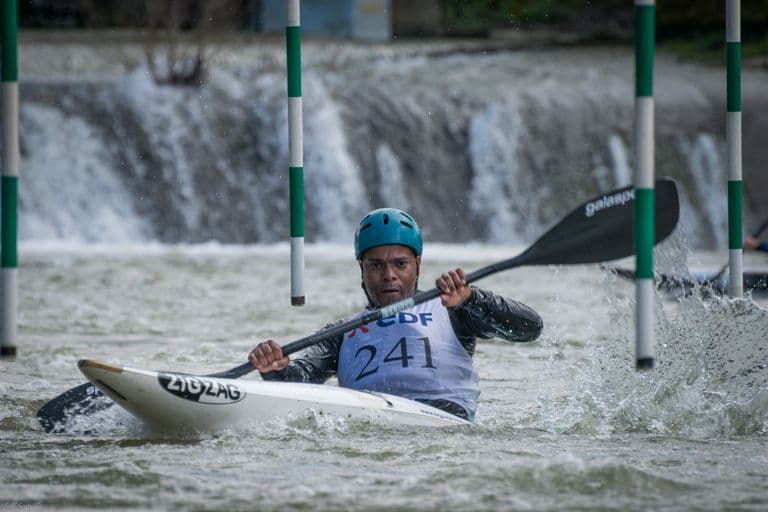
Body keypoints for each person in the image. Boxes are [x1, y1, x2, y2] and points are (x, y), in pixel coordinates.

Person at [248, 208, 543, 421]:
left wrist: (474, 298)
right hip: (372, 422)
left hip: (445, 422)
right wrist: (275, 369)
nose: (389, 275)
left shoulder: (455, 310)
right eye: (375, 266)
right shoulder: (340, 333)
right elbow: (298, 383)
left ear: (417, 265)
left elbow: (530, 329)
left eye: (400, 264)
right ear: (361, 270)